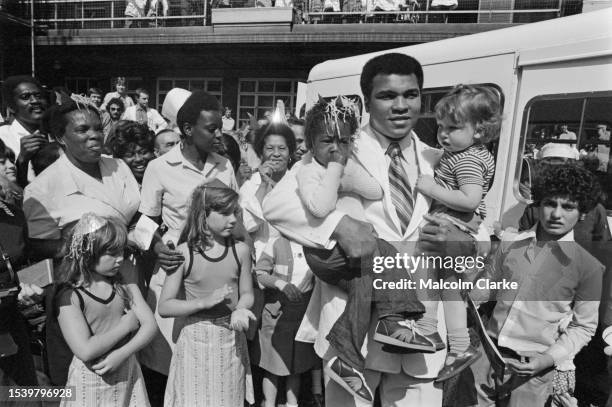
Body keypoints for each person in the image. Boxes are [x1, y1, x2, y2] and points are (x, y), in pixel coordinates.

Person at [263, 52, 482, 407]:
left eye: (410, 95)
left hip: (421, 331)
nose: (400, 106)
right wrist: (338, 225)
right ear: (367, 101)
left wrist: (462, 244)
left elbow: (473, 226)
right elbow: (277, 204)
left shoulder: (438, 158)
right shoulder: (340, 144)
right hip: (356, 327)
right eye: (387, 96)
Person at [296, 96, 433, 402]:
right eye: (327, 141)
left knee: (366, 282)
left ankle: (348, 355)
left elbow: (375, 190)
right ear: (309, 143)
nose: (335, 148)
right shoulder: (308, 170)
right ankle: (393, 318)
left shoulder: (426, 155)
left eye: (343, 141)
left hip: (358, 258)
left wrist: (350, 174)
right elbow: (319, 206)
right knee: (386, 254)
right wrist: (335, 174)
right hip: (328, 253)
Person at [462, 164, 604, 406]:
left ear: (582, 213)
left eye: (568, 207)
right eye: (550, 203)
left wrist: (546, 360)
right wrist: (467, 276)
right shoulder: (510, 245)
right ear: (538, 205)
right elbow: (483, 292)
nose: (556, 214)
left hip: (534, 370)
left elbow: (584, 327)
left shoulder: (589, 268)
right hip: (486, 355)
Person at [23, 96, 142, 386]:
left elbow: (136, 214)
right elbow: (37, 245)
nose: (94, 135)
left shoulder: (118, 167)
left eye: (97, 128)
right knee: (81, 371)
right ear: (59, 138)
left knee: (127, 361)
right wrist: (90, 247)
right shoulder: (44, 186)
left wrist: (156, 243)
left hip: (128, 274)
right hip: (81, 286)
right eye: (82, 130)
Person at [138, 90, 238, 382]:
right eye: (212, 128)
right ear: (187, 130)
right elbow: (145, 220)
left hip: (216, 270)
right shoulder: (159, 168)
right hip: (175, 272)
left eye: (220, 127)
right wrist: (157, 247)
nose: (219, 134)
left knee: (209, 357)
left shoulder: (224, 165)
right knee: (169, 359)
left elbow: (235, 215)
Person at [414, 84, 501, 381]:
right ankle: (458, 344)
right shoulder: (468, 153)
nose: (443, 134)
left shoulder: (467, 160)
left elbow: (470, 199)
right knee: (450, 287)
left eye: (453, 128)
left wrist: (431, 188)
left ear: (478, 131)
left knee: (424, 265)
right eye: (440, 127)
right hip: (459, 226)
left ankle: (427, 327)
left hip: (454, 224)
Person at [158, 183, 255, 406]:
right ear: (203, 215)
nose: (233, 220)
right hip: (194, 341)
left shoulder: (240, 250)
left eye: (235, 213)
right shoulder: (185, 252)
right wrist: (204, 302)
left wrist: (241, 308)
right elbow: (165, 307)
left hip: (230, 338)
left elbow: (247, 292)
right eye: (224, 213)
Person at [54, 214, 156, 406]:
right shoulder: (70, 296)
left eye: (122, 252)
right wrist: (125, 326)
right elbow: (85, 350)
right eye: (112, 253)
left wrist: (122, 354)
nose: (120, 259)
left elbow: (150, 326)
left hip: (127, 373)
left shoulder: (123, 283)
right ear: (88, 252)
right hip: (90, 382)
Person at [252, 232, 319, 407]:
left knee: (295, 367)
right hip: (276, 317)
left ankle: (292, 403)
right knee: (272, 367)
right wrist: (280, 284)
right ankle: (269, 403)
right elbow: (259, 273)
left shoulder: (314, 244)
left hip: (301, 316)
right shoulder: (275, 242)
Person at [239, 122, 295, 260]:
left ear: (289, 153)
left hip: (294, 258)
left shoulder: (298, 181)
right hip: (260, 258)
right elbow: (246, 225)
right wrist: (263, 184)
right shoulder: (250, 185)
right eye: (270, 148)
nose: (276, 154)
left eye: (282, 148)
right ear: (261, 153)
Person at [0, 75, 49, 185]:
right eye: (25, 97)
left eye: (38, 95)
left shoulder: (57, 134)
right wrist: (22, 160)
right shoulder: (3, 137)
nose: (35, 101)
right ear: (11, 107)